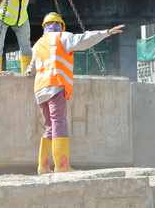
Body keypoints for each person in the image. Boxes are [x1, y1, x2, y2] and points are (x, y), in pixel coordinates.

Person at [26, 12, 125, 174]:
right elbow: (84, 40)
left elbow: (30, 70)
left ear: (44, 27)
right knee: (59, 123)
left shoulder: (37, 45)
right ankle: (62, 166)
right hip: (55, 84)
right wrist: (106, 32)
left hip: (40, 90)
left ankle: (43, 166)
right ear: (60, 25)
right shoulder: (61, 37)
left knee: (49, 126)